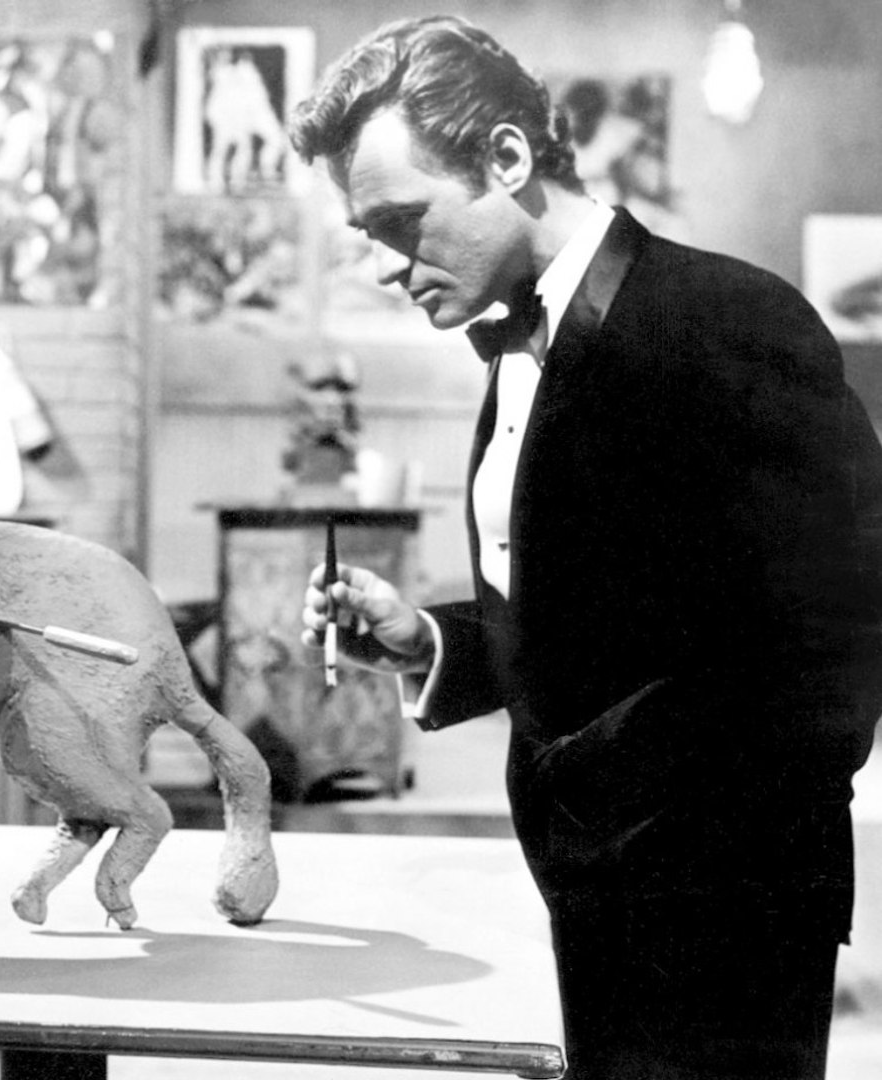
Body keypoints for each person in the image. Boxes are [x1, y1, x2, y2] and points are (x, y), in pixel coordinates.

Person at [292, 16, 882, 1079]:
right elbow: (604, 612)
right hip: (594, 887)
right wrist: (431, 640)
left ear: (506, 158)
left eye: (399, 223)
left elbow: (837, 640)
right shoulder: (519, 339)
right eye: (366, 234)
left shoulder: (727, 319)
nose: (383, 265)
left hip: (724, 911)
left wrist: (650, 820)